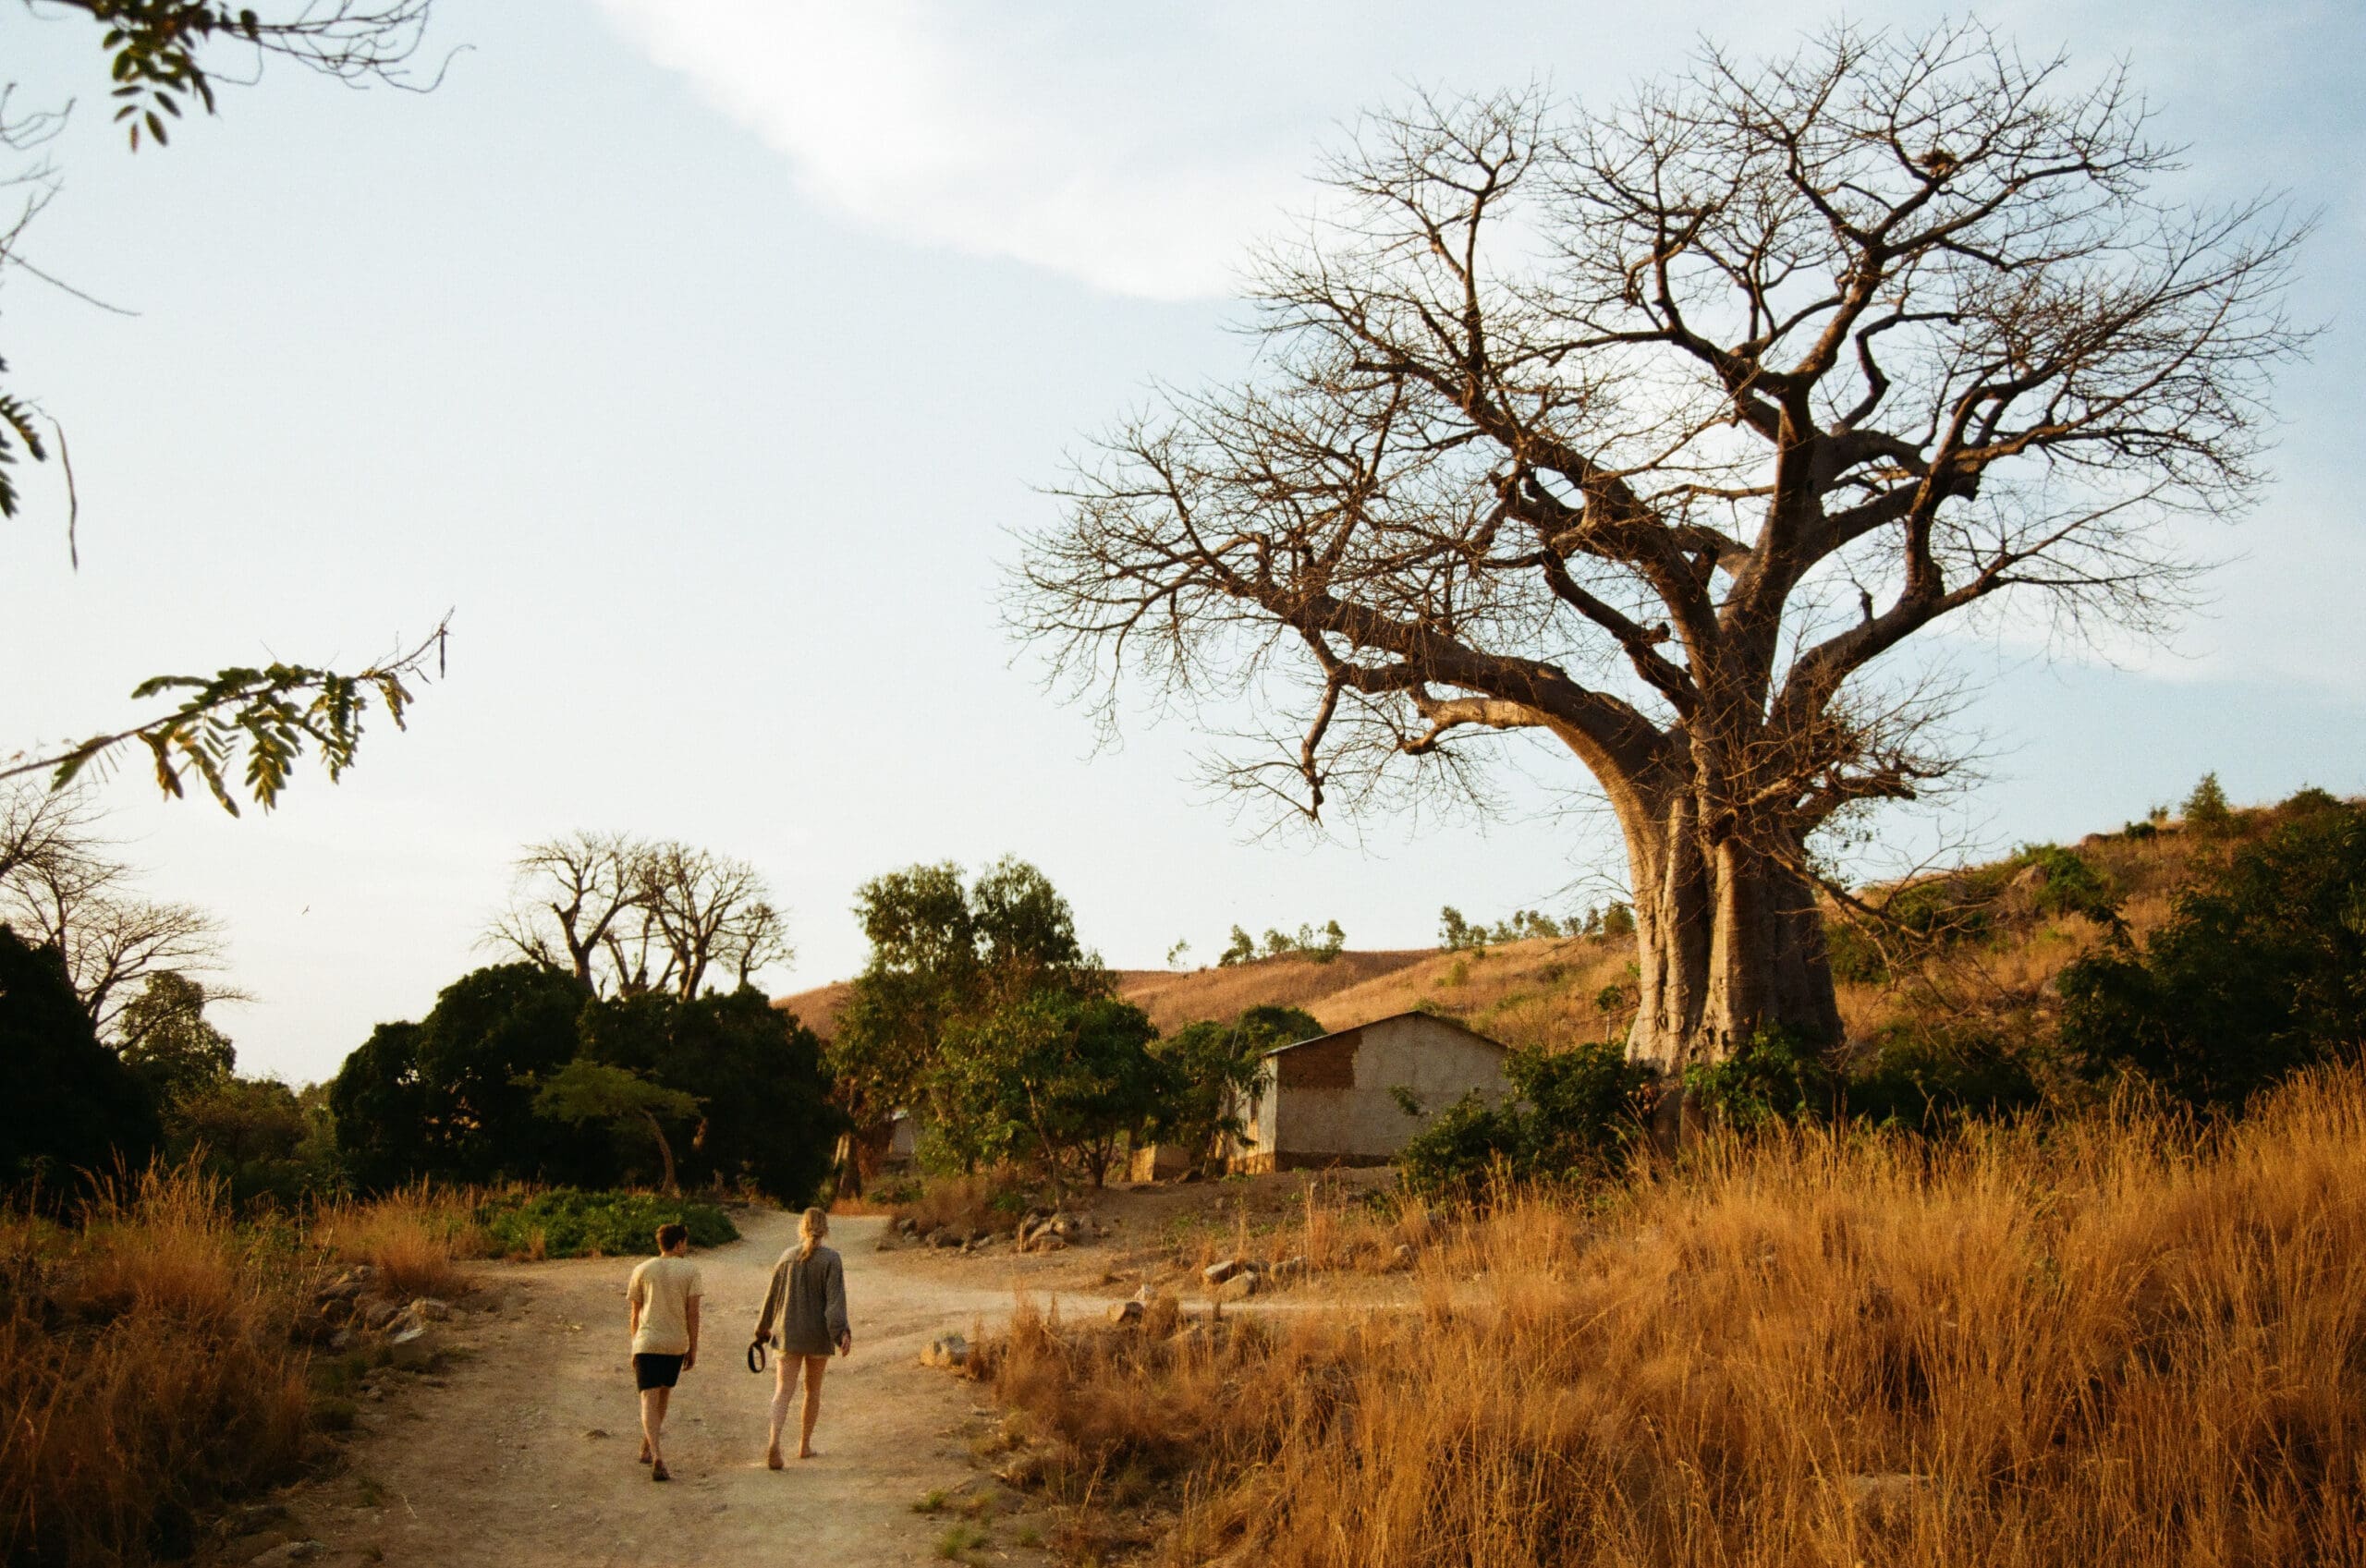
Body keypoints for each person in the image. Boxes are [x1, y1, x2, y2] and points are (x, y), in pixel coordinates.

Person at [750, 1206, 851, 1468]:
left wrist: (762, 1328)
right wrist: (841, 1334)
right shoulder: (831, 1260)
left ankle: (774, 1442)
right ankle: (804, 1446)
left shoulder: (786, 1257)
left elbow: (771, 1297)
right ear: (825, 1229)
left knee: (783, 1391)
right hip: (817, 1334)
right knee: (812, 1390)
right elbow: (834, 1303)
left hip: (787, 1333)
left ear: (801, 1228)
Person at [626, 1222, 703, 1482]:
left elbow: (635, 1315)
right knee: (663, 1394)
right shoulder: (691, 1271)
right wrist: (693, 1347)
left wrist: (634, 1345)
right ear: (679, 1243)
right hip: (674, 1343)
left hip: (647, 1342)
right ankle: (650, 1447)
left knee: (647, 1397)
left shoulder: (642, 1269)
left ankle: (654, 1450)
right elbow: (693, 1313)